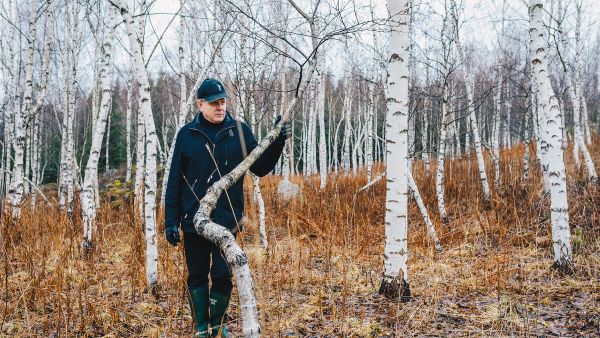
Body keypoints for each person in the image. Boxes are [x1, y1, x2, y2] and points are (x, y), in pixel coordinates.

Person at [164, 78, 291, 337]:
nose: (220, 107)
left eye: (223, 102)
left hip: (227, 219)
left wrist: (277, 142)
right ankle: (202, 328)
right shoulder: (187, 136)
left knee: (223, 275)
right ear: (200, 104)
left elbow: (260, 167)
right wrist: (170, 220)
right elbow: (174, 180)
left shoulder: (239, 130)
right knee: (197, 275)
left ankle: (217, 325)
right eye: (214, 103)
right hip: (193, 221)